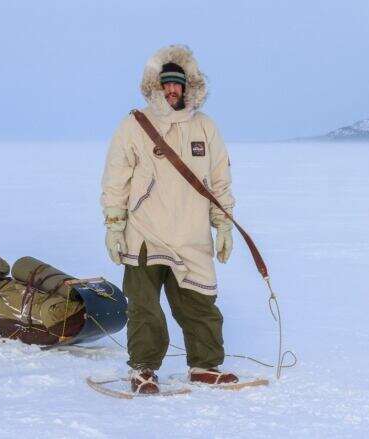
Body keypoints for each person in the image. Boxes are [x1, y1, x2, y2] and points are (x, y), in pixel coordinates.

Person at [100, 45, 238, 394]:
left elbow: (219, 181)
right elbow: (116, 179)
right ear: (154, 86)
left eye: (178, 84)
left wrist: (223, 225)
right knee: (145, 308)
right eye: (166, 83)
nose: (172, 90)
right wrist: (114, 225)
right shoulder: (133, 126)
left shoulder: (206, 128)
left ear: (188, 86)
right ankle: (144, 370)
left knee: (200, 306)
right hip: (146, 234)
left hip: (192, 235)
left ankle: (204, 366)